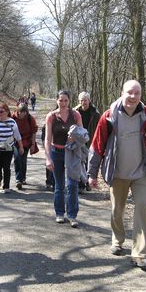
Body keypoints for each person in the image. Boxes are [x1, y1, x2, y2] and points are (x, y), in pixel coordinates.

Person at [87, 80, 146, 269]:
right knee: (116, 210)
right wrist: (92, 173)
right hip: (117, 172)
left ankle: (140, 254)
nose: (133, 97)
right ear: (122, 93)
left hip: (141, 171)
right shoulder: (109, 116)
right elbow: (97, 145)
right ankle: (118, 240)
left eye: (137, 93)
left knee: (143, 207)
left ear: (140, 95)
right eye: (129, 93)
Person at [45, 90, 83, 228]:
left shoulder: (75, 115)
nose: (63, 103)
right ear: (57, 101)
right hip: (57, 151)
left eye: (65, 100)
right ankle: (60, 213)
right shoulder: (51, 116)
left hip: (72, 152)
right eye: (60, 100)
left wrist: (75, 136)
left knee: (72, 185)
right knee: (59, 185)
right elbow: (47, 139)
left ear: (69, 101)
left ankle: (72, 215)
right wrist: (48, 158)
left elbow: (83, 134)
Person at [0, 103, 24, 193]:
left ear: (7, 112)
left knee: (6, 167)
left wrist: (21, 147)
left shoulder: (12, 122)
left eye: (1, 111)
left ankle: (6, 186)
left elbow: (17, 136)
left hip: (8, 149)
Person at [74, 91, 101, 193]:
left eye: (85, 100)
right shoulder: (75, 112)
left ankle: (87, 183)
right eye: (81, 100)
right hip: (78, 141)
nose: (83, 102)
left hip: (91, 141)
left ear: (89, 101)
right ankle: (81, 184)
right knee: (79, 163)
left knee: (88, 164)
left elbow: (100, 128)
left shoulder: (95, 113)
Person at [12, 103, 38, 189]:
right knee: (17, 158)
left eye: (24, 112)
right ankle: (18, 179)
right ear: (18, 111)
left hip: (26, 141)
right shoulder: (13, 117)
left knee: (23, 160)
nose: (22, 114)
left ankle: (23, 178)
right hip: (15, 142)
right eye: (21, 112)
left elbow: (34, 132)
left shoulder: (30, 119)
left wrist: (33, 144)